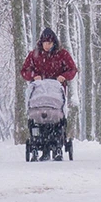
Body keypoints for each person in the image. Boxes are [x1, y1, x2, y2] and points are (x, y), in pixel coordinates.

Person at [21, 27, 77, 160]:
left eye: (50, 43)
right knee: (37, 121)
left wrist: (63, 76)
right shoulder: (34, 55)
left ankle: (57, 145)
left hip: (56, 94)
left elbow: (73, 69)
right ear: (42, 43)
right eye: (46, 43)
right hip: (39, 95)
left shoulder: (62, 54)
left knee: (58, 121)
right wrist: (33, 76)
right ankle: (40, 147)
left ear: (54, 43)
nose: (48, 46)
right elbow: (24, 71)